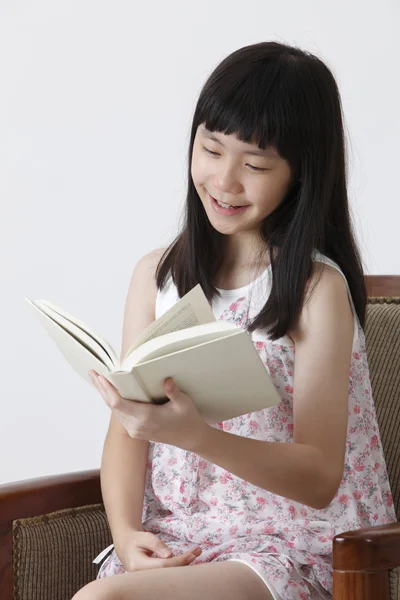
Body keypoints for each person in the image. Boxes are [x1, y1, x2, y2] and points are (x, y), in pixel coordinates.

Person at [73, 41, 396, 600]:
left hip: (294, 548)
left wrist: (197, 436)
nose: (224, 181)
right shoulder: (157, 275)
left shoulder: (316, 291)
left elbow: (319, 478)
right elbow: (129, 429)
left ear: (300, 174)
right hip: (183, 540)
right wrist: (126, 537)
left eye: (255, 165)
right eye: (211, 149)